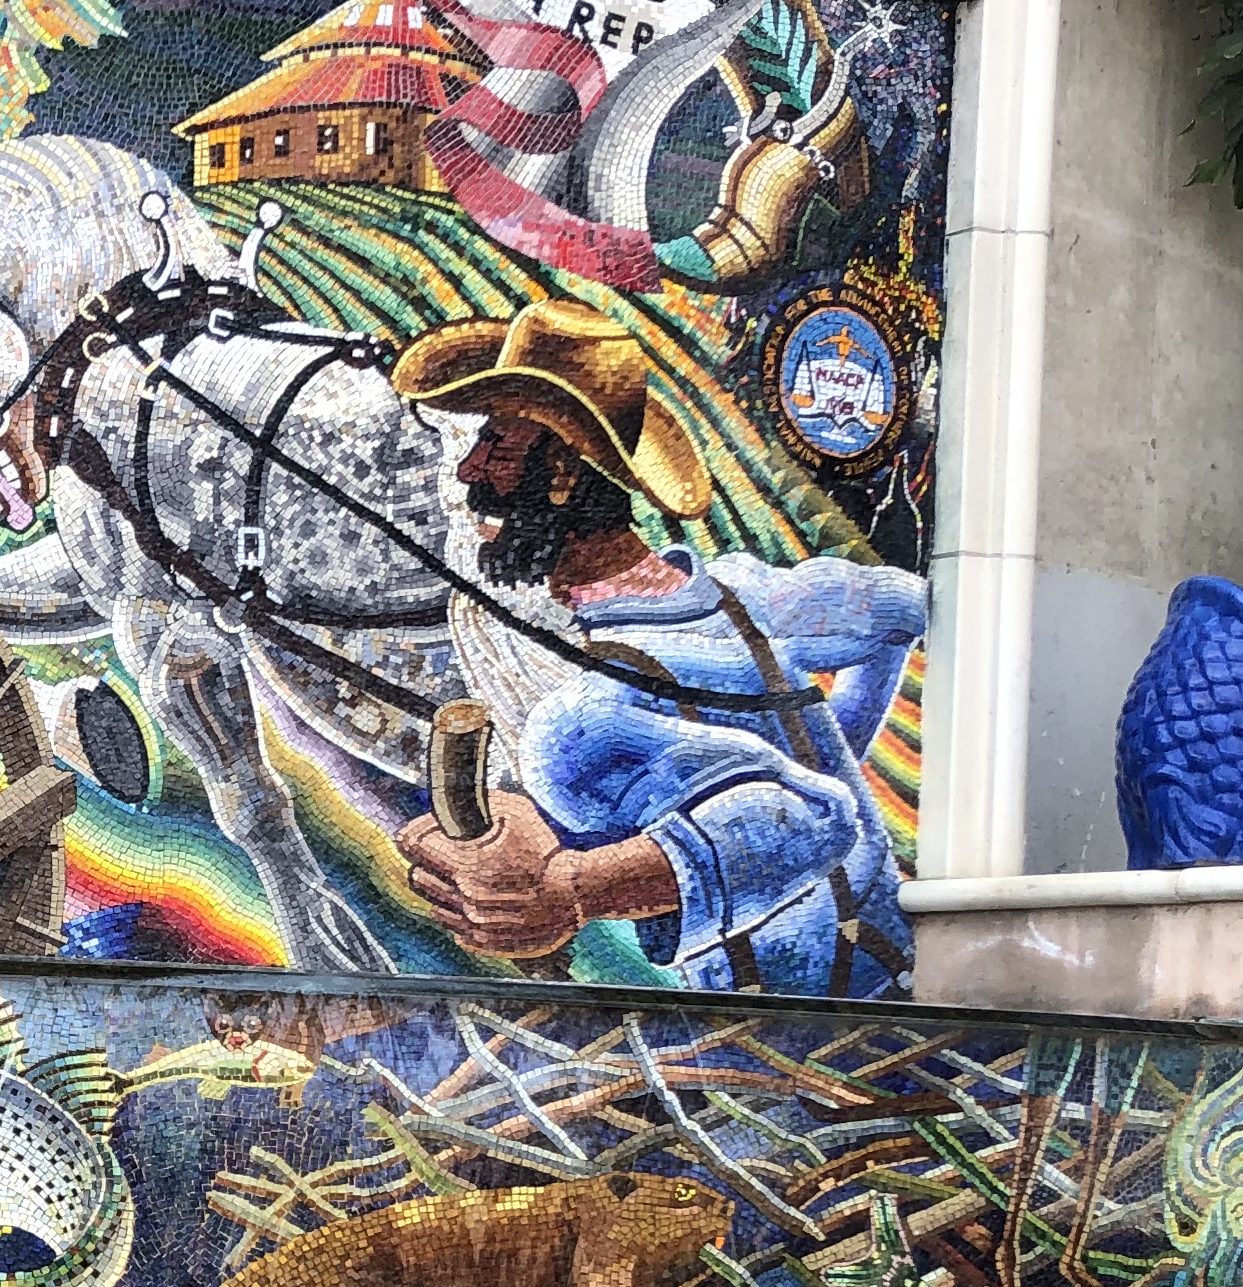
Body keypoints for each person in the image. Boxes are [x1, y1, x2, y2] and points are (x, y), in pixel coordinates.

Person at [386, 303, 925, 999]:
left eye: (499, 446)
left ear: (563, 472)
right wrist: (831, 745)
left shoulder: (580, 724)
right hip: (903, 985)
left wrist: (574, 893)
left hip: (782, 1036)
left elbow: (816, 817)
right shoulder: (756, 595)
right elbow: (907, 607)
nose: (468, 469)